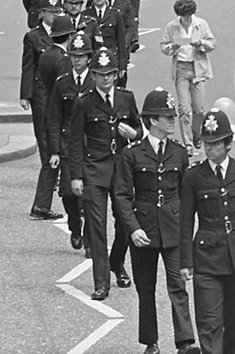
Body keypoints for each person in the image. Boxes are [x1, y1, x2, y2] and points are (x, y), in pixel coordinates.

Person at [114, 88, 200, 354]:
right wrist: (133, 228)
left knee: (178, 285)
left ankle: (185, 342)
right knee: (146, 289)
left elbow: (186, 195)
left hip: (172, 229)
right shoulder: (132, 154)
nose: (172, 120)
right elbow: (122, 195)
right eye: (167, 116)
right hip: (145, 229)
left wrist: (187, 232)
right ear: (152, 120)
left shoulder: (178, 152)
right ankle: (150, 341)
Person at [179, 108, 235, 354]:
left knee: (233, 325)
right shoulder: (194, 176)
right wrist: (185, 261)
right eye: (206, 143)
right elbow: (186, 222)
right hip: (206, 259)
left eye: (215, 143)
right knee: (209, 324)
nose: (209, 148)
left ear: (228, 143)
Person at [68, 47, 142, 300]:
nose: (106, 79)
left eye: (109, 74)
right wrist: (76, 176)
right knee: (97, 227)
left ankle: (117, 263)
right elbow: (76, 140)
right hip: (94, 169)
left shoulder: (126, 98)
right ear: (94, 75)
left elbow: (139, 128)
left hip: (121, 169)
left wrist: (133, 134)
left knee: (124, 221)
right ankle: (101, 282)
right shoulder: (84, 101)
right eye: (100, 74)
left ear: (116, 74)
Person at [46, 30, 93, 255]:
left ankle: (91, 240)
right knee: (67, 192)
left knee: (91, 194)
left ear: (88, 58)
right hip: (67, 144)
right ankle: (75, 224)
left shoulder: (96, 82)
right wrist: (54, 150)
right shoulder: (62, 83)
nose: (77, 59)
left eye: (81, 56)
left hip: (91, 145)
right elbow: (53, 118)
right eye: (74, 55)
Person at [22, 0, 65, 220]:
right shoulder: (34, 37)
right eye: (51, 11)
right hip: (41, 98)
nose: (54, 15)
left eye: (57, 11)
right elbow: (28, 67)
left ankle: (42, 203)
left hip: (57, 100)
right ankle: (42, 203)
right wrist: (24, 95)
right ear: (42, 13)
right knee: (47, 146)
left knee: (53, 150)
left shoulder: (63, 35)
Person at [160, 0, 215, 157]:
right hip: (181, 68)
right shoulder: (172, 27)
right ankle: (188, 143)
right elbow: (163, 47)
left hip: (198, 67)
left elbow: (212, 43)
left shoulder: (201, 24)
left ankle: (197, 133)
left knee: (199, 109)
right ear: (179, 15)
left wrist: (201, 45)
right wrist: (174, 46)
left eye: (190, 15)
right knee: (184, 108)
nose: (187, 18)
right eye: (184, 16)